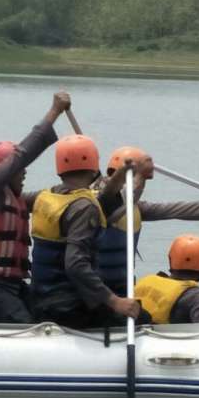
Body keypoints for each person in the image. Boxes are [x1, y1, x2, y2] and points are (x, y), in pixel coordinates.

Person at [0, 92, 73, 324]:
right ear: (4, 171)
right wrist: (54, 112)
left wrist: (83, 186)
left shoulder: (15, 198)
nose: (24, 172)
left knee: (52, 315)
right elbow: (21, 156)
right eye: (19, 169)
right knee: (27, 326)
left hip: (12, 286)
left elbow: (51, 196)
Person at [30, 136, 143, 328]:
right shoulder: (84, 206)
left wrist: (122, 173)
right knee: (143, 318)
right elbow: (75, 264)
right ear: (93, 167)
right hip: (68, 306)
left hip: (39, 299)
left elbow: (107, 199)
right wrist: (115, 301)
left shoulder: (45, 196)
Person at [94, 146, 199, 296]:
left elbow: (171, 209)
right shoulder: (94, 203)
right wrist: (140, 176)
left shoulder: (135, 207)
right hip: (97, 284)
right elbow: (122, 199)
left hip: (123, 283)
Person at [135, 235, 199, 324]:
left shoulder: (147, 280)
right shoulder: (197, 296)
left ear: (171, 259)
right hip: (166, 336)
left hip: (137, 333)